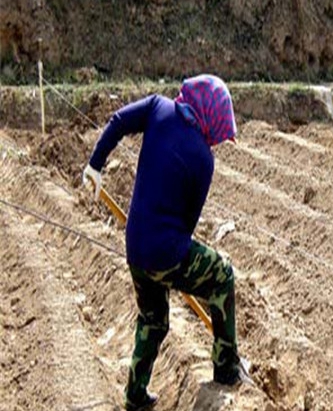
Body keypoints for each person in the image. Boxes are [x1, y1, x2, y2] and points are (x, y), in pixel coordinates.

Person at [82, 74, 249, 411]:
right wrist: (176, 265)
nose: (216, 140)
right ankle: (227, 367)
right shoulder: (203, 159)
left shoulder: (158, 108)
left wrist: (95, 165)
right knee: (223, 276)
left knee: (153, 320)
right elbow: (187, 224)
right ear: (211, 117)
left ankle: (135, 395)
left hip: (136, 248)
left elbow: (118, 121)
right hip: (166, 252)